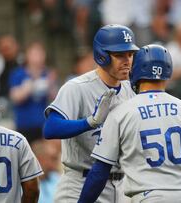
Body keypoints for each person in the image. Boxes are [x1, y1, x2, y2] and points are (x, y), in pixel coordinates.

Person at [78, 44, 181, 203]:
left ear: (135, 71)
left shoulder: (120, 113)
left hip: (148, 196)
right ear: (168, 72)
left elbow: (99, 173)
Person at [43, 24, 139, 202]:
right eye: (119, 55)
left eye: (130, 54)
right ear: (102, 56)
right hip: (80, 181)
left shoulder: (131, 90)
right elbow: (50, 128)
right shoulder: (77, 87)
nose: (127, 60)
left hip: (123, 186)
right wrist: (89, 122)